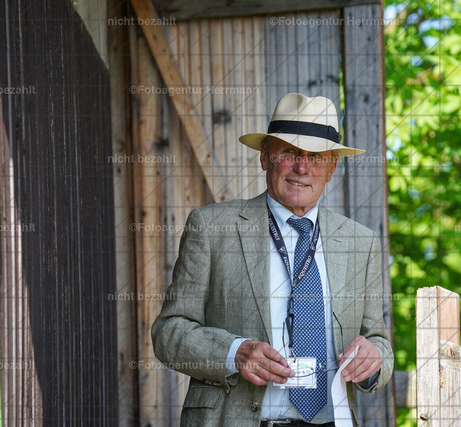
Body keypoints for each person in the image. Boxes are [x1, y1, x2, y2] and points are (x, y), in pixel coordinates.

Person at [151, 93, 393, 427]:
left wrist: (374, 359)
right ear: (265, 156)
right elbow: (168, 332)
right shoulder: (211, 227)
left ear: (332, 167)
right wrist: (234, 353)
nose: (302, 167)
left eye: (316, 157)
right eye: (290, 152)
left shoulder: (360, 242)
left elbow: (378, 341)